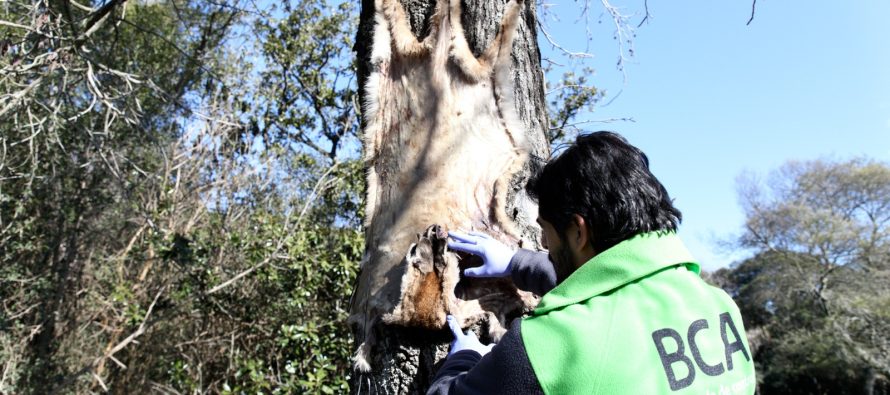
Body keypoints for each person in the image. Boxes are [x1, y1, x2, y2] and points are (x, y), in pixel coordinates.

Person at [428, 132, 756, 394]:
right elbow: (615, 299)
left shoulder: (548, 345)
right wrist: (517, 263)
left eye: (546, 230)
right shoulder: (719, 307)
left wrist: (463, 359)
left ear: (579, 230)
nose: (542, 243)